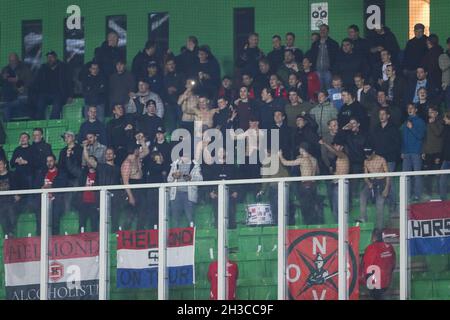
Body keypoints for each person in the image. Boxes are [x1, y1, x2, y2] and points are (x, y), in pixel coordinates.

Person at [279, 143, 322, 225]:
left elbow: (285, 163)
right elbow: (317, 172)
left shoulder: (302, 160)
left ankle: (308, 225)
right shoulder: (314, 159)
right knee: (312, 208)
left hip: (305, 185)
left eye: (300, 149)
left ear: (302, 149)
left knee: (306, 208)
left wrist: (280, 155)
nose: (299, 150)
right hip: (313, 185)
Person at [83, 145, 122, 230]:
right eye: (107, 153)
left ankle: (114, 236)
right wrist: (85, 147)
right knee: (101, 219)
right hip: (102, 198)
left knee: (115, 218)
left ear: (114, 156)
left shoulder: (118, 168)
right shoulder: (100, 166)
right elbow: (87, 159)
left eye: (110, 153)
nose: (108, 155)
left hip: (115, 198)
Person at [121, 134, 150, 230]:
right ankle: (126, 235)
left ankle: (140, 233)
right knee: (130, 216)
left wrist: (142, 141)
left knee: (143, 214)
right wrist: (131, 196)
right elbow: (125, 182)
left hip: (140, 187)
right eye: (138, 148)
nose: (139, 150)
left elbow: (146, 151)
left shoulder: (137, 158)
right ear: (135, 150)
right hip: (132, 189)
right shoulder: (127, 163)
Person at [33, 51, 73, 119]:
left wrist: (70, 95)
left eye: (51, 57)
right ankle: (39, 124)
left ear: (55, 58)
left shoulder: (63, 67)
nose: (50, 59)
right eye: (48, 57)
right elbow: (37, 82)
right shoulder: (43, 68)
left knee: (56, 107)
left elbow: (69, 82)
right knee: (39, 105)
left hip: (59, 93)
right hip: (44, 93)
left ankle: (53, 124)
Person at [66, 151, 99, 233]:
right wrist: (68, 156)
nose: (90, 162)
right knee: (81, 225)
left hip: (94, 204)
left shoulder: (100, 174)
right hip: (83, 203)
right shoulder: (82, 173)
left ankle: (96, 244)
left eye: (92, 161)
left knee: (94, 225)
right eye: (88, 161)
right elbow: (71, 168)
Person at [358, 148, 390, 230]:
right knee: (362, 195)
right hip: (371, 182)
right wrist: (368, 183)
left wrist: (386, 188)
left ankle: (380, 228)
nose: (367, 156)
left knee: (379, 204)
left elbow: (388, 175)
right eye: (366, 154)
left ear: (374, 153)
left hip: (381, 182)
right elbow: (365, 175)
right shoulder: (365, 161)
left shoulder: (381, 159)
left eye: (369, 154)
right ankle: (363, 218)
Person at [360, 229, 396, 300]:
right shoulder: (389, 247)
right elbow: (393, 264)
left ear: (373, 237)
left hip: (375, 283)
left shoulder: (371, 248)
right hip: (387, 282)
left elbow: (367, 267)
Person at [36, 154, 68, 235]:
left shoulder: (61, 173)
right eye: (47, 161)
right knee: (41, 222)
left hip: (56, 201)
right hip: (43, 201)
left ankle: (55, 241)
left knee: (55, 222)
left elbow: (63, 184)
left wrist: (51, 186)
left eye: (51, 161)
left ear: (55, 161)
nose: (49, 163)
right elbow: (36, 185)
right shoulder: (42, 173)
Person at [319, 137, 350, 221]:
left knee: (342, 209)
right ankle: (338, 228)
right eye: (334, 145)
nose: (335, 146)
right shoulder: (337, 158)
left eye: (337, 145)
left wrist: (324, 143)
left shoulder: (343, 155)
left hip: (342, 184)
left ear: (342, 147)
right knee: (335, 209)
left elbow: (335, 152)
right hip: (336, 185)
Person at [168, 156, 203, 228]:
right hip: (175, 194)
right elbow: (169, 179)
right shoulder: (175, 164)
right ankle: (175, 237)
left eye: (186, 155)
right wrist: (174, 176)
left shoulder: (195, 165)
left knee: (190, 218)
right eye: (183, 156)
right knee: (175, 218)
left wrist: (191, 177)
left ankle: (191, 236)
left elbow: (200, 180)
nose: (184, 158)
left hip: (189, 195)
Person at [401, 104, 426, 201]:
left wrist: (412, 128)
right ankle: (406, 195)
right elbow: (403, 138)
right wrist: (402, 150)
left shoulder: (420, 122)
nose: (409, 110)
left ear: (416, 110)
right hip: (406, 152)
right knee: (406, 175)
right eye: (408, 108)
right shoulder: (405, 122)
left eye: (411, 108)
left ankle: (417, 195)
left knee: (417, 175)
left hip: (416, 151)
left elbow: (421, 136)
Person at [1, 53, 32, 121]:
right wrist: (3, 78)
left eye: (13, 60)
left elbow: (29, 83)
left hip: (22, 95)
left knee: (7, 107)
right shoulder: (5, 69)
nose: (12, 62)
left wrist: (17, 80)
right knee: (6, 106)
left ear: (17, 60)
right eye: (10, 61)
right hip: (8, 97)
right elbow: (1, 83)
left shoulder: (25, 69)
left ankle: (8, 126)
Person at [308, 24, 339, 90]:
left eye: (324, 30)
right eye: (321, 30)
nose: (322, 31)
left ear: (328, 31)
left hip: (329, 72)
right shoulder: (315, 44)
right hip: (317, 71)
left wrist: (333, 71)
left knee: (329, 90)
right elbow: (312, 57)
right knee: (319, 90)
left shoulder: (334, 44)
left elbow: (336, 59)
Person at [422, 106, 443, 197]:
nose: (430, 114)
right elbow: (425, 138)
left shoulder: (441, 122)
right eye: (429, 112)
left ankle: (439, 191)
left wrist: (433, 123)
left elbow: (438, 133)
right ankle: (428, 191)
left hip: (437, 152)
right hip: (428, 152)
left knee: (438, 173)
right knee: (427, 173)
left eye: (432, 112)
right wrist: (423, 151)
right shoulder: (428, 123)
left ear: (436, 113)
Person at [0, 158, 20, 238]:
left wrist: (18, 195)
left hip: (11, 201)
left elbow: (19, 187)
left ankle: (10, 232)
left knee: (10, 210)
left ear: (5, 165)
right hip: (1, 202)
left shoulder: (12, 175)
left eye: (0, 164)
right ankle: (7, 234)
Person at [439, 111, 450, 200]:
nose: (443, 119)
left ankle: (443, 198)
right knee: (443, 178)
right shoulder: (445, 128)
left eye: (445, 118)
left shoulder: (446, 128)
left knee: (443, 178)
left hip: (447, 158)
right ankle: (443, 198)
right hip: (446, 158)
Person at [438, 38, 450, 107]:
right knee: (448, 104)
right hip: (447, 84)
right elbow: (442, 67)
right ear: (448, 45)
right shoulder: (443, 56)